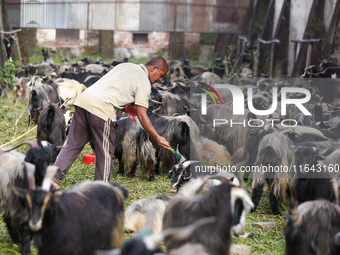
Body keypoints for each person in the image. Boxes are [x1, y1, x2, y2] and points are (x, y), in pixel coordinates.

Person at [52, 56, 170, 189]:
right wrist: (157, 137)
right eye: (161, 75)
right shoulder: (144, 83)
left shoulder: (126, 66)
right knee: (105, 154)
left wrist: (126, 107)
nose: (160, 80)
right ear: (153, 68)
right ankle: (101, 191)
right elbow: (142, 116)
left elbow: (111, 89)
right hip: (101, 110)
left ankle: (53, 179)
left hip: (84, 101)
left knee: (72, 144)